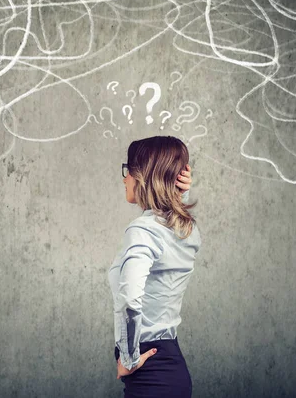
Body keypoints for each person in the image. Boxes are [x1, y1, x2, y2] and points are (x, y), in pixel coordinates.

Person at [108, 135, 201, 397]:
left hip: (151, 376)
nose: (124, 178)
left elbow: (129, 299)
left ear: (144, 176)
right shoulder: (186, 230)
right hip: (170, 369)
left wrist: (127, 359)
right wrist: (180, 195)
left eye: (128, 170)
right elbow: (171, 220)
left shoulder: (144, 230)